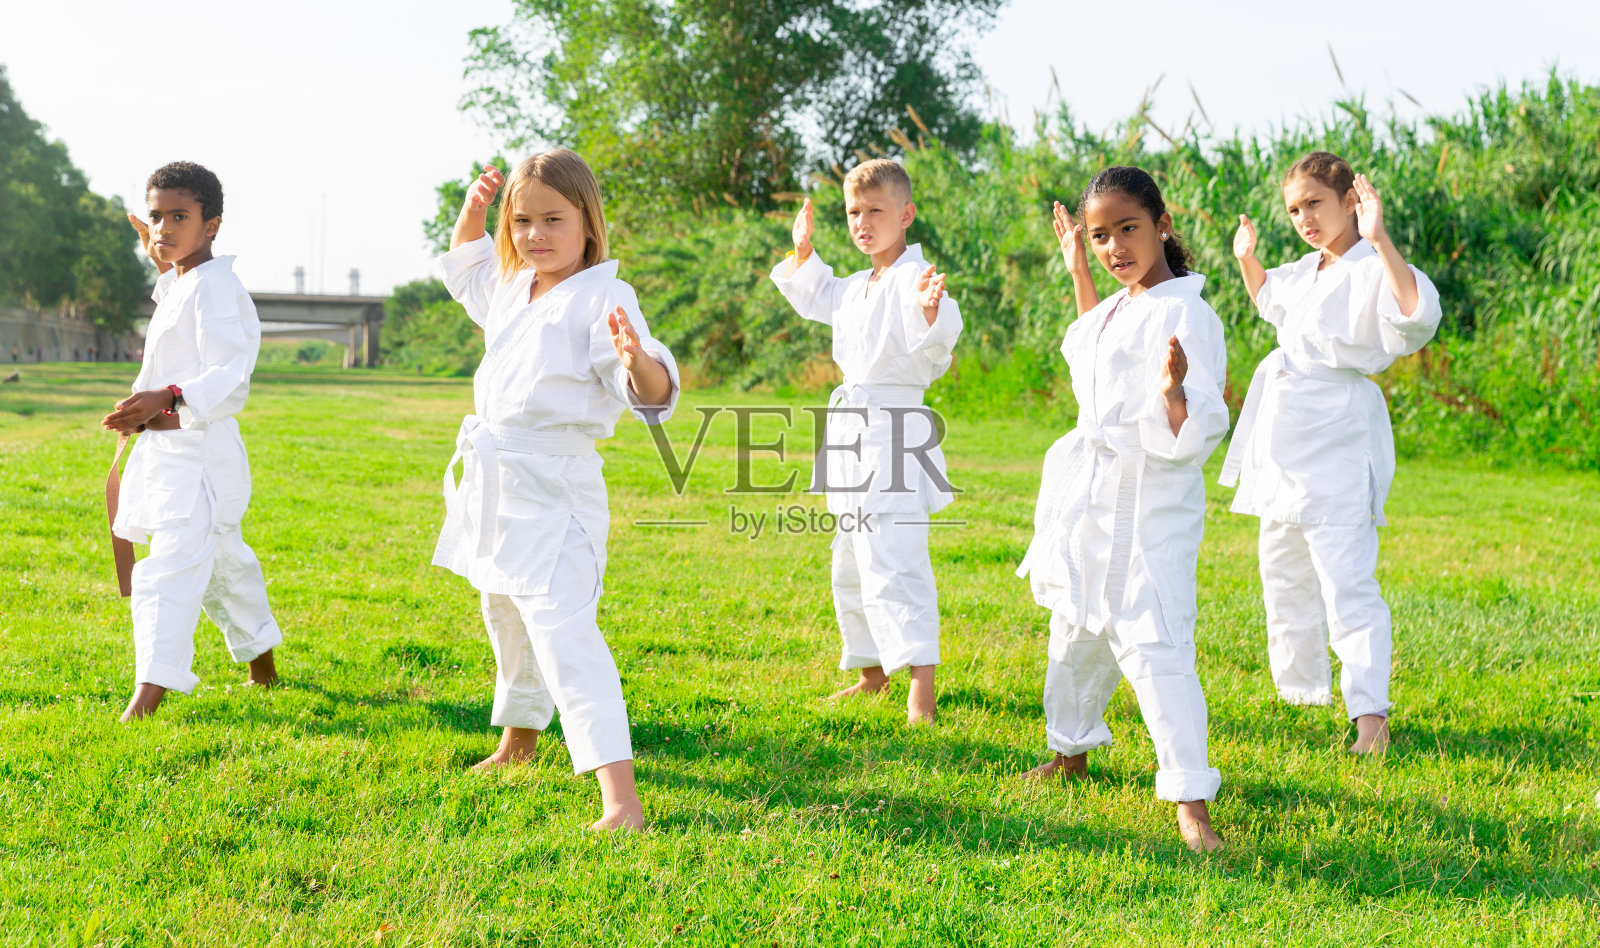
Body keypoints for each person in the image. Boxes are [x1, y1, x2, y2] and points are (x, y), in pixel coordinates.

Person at [436, 152, 680, 831]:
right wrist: (475, 209)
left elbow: (651, 390)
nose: (535, 235)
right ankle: (519, 741)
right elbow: (466, 265)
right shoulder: (515, 287)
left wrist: (637, 360)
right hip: (500, 482)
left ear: (587, 222)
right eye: (522, 221)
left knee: (565, 632)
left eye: (553, 219)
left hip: (557, 487)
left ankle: (620, 799)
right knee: (505, 614)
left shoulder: (604, 296)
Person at [1017, 167, 1229, 852]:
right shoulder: (1116, 307)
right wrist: (1079, 271)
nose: (1115, 247)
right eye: (1100, 235)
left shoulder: (1186, 313)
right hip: (1091, 496)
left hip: (1149, 501)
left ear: (1162, 225)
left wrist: (1174, 394)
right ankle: (1070, 750)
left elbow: (1197, 424)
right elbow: (1091, 353)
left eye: (1127, 228)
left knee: (1154, 639)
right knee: (1075, 630)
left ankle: (1191, 800)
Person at [1224, 152, 1443, 754]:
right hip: (1284, 435)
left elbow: (1414, 318)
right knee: (1282, 569)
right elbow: (1269, 301)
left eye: (1314, 203)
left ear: (1350, 200)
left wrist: (1381, 238)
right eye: (1294, 209)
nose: (1304, 219)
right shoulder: (1304, 270)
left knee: (1346, 577)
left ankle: (1370, 715)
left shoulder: (1375, 267)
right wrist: (1247, 259)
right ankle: (1301, 694)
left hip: (1338, 433)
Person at [770, 159, 963, 724]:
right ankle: (871, 673)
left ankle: (921, 691)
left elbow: (938, 339)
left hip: (894, 432)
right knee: (850, 559)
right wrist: (803, 251)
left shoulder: (915, 277)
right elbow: (817, 293)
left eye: (875, 210)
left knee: (896, 558)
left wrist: (930, 312)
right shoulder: (857, 285)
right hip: (853, 431)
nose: (862, 222)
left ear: (905, 214)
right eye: (853, 212)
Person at [103, 161, 281, 722]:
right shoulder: (186, 283)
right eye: (156, 216)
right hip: (171, 453)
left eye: (179, 216)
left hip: (199, 458)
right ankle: (263, 668)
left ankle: (147, 697)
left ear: (212, 225)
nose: (163, 227)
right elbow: (178, 306)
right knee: (226, 568)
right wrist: (142, 411)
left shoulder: (216, 287)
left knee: (168, 573)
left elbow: (229, 372)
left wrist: (169, 396)